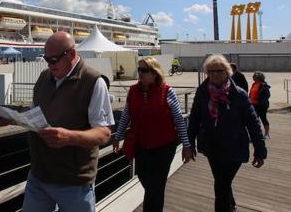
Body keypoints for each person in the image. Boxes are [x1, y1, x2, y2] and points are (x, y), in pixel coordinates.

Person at [0, 31, 114, 212]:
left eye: (54, 59)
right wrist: (12, 117)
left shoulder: (93, 82)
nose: (49, 64)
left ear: (72, 54)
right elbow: (34, 111)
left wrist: (69, 137)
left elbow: (104, 133)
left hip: (74, 181)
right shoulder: (44, 77)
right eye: (46, 59)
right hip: (39, 175)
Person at [112, 56, 194, 212]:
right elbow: (126, 116)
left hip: (164, 147)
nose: (141, 73)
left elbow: (178, 120)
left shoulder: (167, 91)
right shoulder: (133, 91)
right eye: (139, 70)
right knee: (146, 180)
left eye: (145, 70)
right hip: (141, 145)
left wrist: (186, 145)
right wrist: (117, 136)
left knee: (155, 187)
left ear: (155, 73)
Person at [188, 54, 267, 212]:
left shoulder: (239, 95)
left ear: (227, 72)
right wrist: (189, 144)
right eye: (210, 71)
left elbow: (253, 123)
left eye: (218, 70)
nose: (214, 74)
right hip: (212, 146)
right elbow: (195, 119)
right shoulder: (203, 92)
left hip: (234, 147)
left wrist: (260, 150)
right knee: (222, 182)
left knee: (221, 184)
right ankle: (230, 205)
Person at [250, 72, 271, 138]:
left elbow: (267, 95)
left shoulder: (264, 85)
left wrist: (259, 99)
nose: (253, 79)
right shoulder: (254, 84)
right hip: (253, 104)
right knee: (255, 119)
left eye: (255, 78)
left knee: (263, 118)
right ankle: (257, 133)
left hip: (261, 105)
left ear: (259, 78)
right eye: (254, 78)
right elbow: (251, 93)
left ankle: (267, 133)